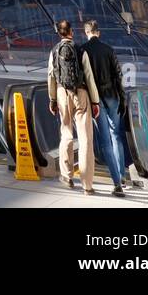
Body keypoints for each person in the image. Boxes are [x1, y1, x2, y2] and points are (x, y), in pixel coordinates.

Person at [47, 19, 100, 194]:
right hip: (81, 93)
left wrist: (52, 100)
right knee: (85, 139)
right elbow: (89, 77)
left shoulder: (54, 51)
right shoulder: (80, 50)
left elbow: (51, 77)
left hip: (62, 94)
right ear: (71, 32)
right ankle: (87, 185)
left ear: (59, 33)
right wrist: (95, 102)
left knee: (66, 133)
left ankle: (67, 176)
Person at [80, 19, 126, 197]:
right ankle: (121, 176)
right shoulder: (108, 49)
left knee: (105, 141)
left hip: (95, 99)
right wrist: (121, 97)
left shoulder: (82, 50)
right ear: (98, 33)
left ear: (86, 33)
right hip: (112, 96)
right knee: (116, 135)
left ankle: (117, 184)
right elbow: (118, 75)